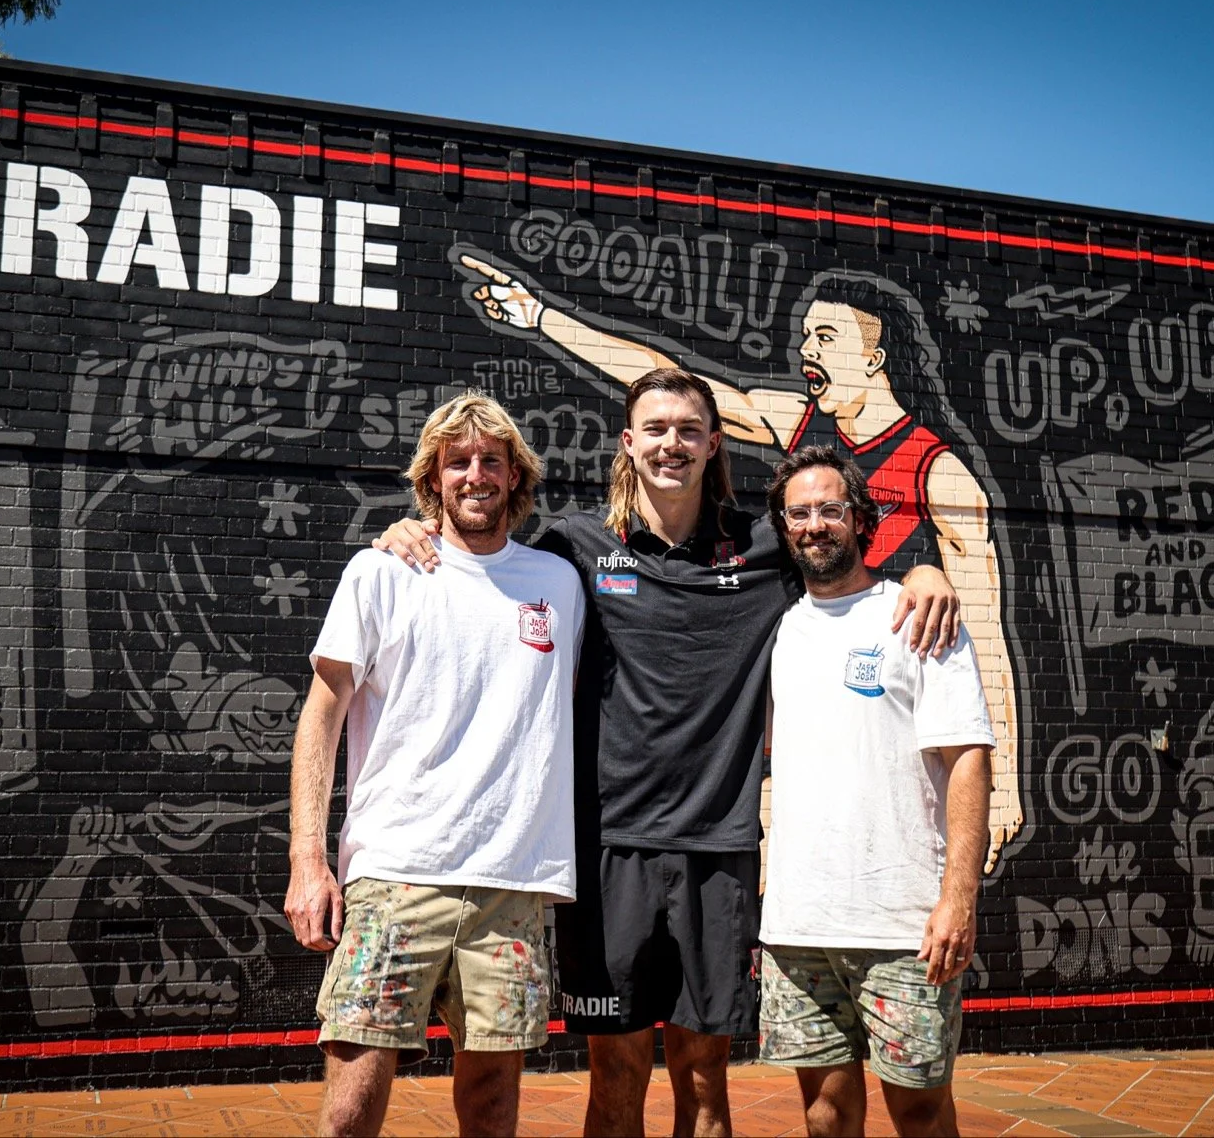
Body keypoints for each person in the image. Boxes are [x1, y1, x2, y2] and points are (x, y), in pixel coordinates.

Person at [375, 368, 958, 1137]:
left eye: (688, 429)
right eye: (655, 428)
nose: (671, 444)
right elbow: (485, 570)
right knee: (615, 1078)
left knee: (704, 1081)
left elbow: (846, 567)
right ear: (629, 442)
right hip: (607, 852)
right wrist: (406, 530)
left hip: (718, 855)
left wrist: (925, 572)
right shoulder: (574, 550)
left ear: (713, 442)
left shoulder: (764, 546)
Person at [459, 254, 1021, 873]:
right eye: (807, 333)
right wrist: (543, 317)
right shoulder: (792, 421)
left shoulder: (938, 473)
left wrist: (1008, 782)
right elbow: (662, 378)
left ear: (874, 357)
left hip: (887, 721)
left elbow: (987, 633)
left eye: (826, 337)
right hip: (785, 748)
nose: (807, 347)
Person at [285, 392, 585, 1137]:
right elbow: (320, 717)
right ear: (433, 478)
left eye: (492, 461)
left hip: (512, 887)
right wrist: (307, 860)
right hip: (395, 877)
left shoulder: (560, 584)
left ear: (517, 475)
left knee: (491, 1109)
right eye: (458, 462)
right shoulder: (381, 572)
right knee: (351, 1104)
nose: (475, 475)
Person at [759, 445, 993, 1138]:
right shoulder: (771, 627)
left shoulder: (918, 615)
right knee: (825, 1113)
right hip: (799, 925)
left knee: (921, 1110)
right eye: (798, 513)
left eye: (830, 509)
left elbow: (968, 760)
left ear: (863, 520)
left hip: (902, 925)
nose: (814, 525)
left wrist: (958, 898)